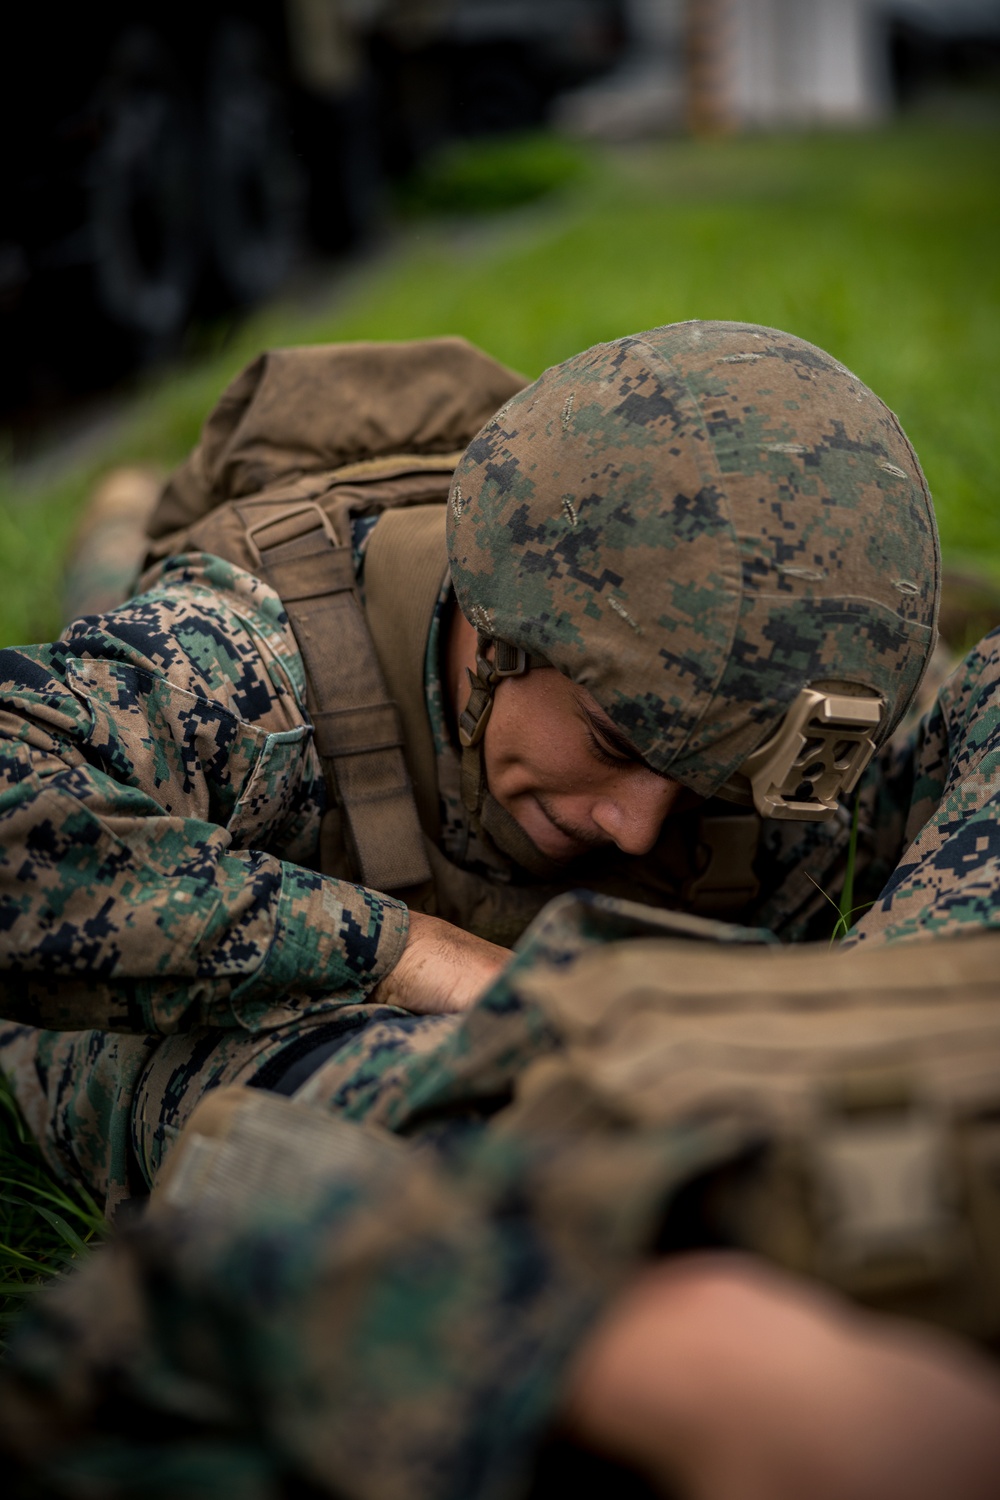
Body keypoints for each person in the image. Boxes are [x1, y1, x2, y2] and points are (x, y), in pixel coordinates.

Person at [0, 318, 983, 1225]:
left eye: (705, 784)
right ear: (495, 628)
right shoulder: (247, 662)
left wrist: (879, 1014)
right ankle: (119, 521)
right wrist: (399, 952)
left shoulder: (767, 696)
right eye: (612, 742)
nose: (638, 827)